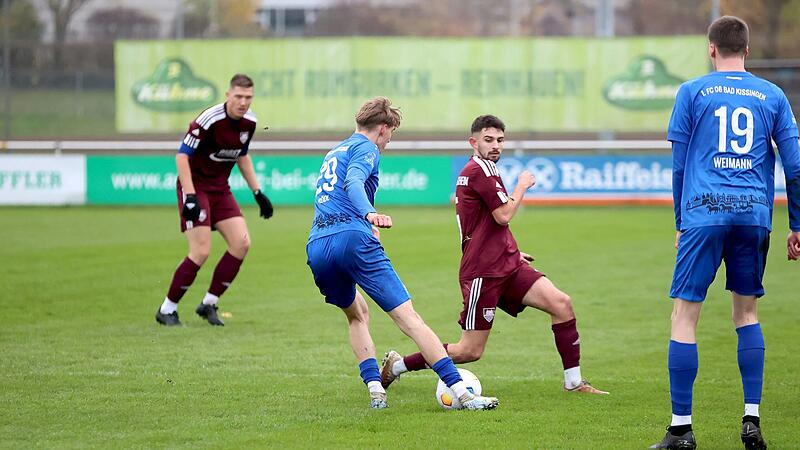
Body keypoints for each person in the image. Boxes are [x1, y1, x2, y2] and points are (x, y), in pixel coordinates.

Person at [650, 16, 800, 450]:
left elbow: (679, 166)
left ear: (711, 48)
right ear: (747, 51)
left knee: (684, 315)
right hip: (754, 214)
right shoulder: (772, 95)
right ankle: (751, 419)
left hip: (704, 212)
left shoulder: (692, 91)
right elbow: (794, 164)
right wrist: (797, 224)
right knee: (747, 315)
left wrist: (681, 220)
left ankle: (681, 429)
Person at [380, 114, 608, 396]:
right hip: (483, 272)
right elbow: (503, 215)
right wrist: (523, 185)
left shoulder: (484, 169)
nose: (496, 145)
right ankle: (398, 365)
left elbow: (481, 223)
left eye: (500, 140)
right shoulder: (479, 172)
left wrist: (510, 251)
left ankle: (574, 383)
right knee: (469, 351)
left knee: (561, 303)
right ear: (473, 142)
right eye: (488, 140)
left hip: (506, 263)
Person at [305, 96, 499, 410]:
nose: (389, 141)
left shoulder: (336, 150)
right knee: (409, 320)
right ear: (383, 128)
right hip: (352, 238)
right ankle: (463, 394)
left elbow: (336, 192)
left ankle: (375, 390)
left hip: (318, 244)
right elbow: (354, 182)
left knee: (357, 314)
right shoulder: (366, 148)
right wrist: (369, 214)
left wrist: (362, 221)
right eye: (391, 133)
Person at [155, 73, 274, 327]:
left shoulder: (250, 122)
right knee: (201, 251)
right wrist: (189, 196)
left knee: (241, 243)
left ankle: (208, 303)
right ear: (228, 95)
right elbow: (181, 157)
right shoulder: (209, 119)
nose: (243, 102)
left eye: (248, 97)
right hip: (195, 187)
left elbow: (242, 156)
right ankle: (167, 309)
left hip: (220, 189)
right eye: (239, 96)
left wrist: (258, 192)